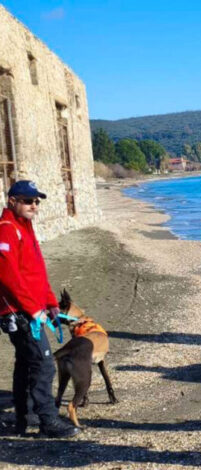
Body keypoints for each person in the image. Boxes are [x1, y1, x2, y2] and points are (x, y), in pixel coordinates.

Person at [0, 180, 79, 438]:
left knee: (26, 363)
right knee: (44, 364)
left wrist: (51, 304)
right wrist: (34, 310)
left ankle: (25, 417)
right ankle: (47, 420)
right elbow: (7, 275)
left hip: (31, 308)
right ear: (12, 201)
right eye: (27, 200)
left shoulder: (26, 227)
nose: (34, 205)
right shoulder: (7, 229)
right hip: (17, 312)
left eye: (36, 201)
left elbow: (37, 273)